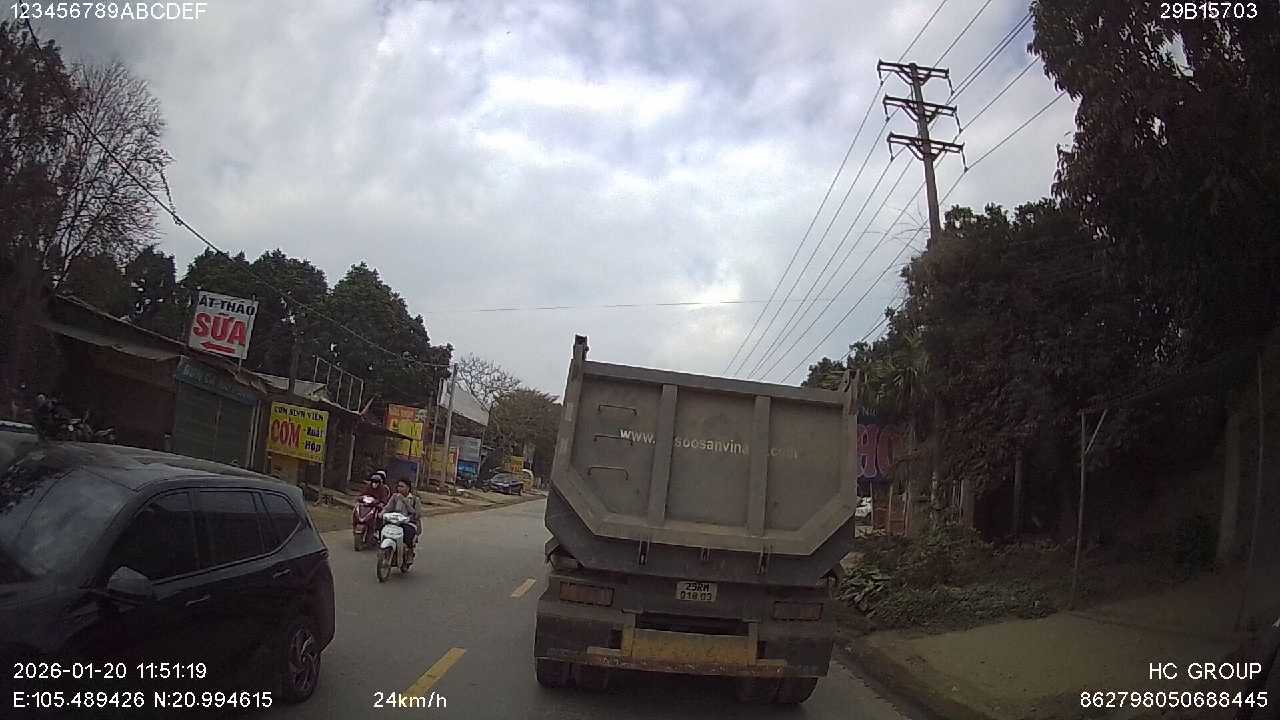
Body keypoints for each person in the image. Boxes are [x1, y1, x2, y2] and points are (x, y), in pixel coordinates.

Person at [383, 479, 420, 552]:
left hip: (408, 523)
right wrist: (382, 513)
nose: (399, 488)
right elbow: (388, 508)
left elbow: (416, 514)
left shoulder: (415, 499)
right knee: (383, 528)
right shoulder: (395, 497)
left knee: (408, 532)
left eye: (402, 486)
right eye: (398, 486)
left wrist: (405, 501)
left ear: (408, 488)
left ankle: (408, 550)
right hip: (394, 521)